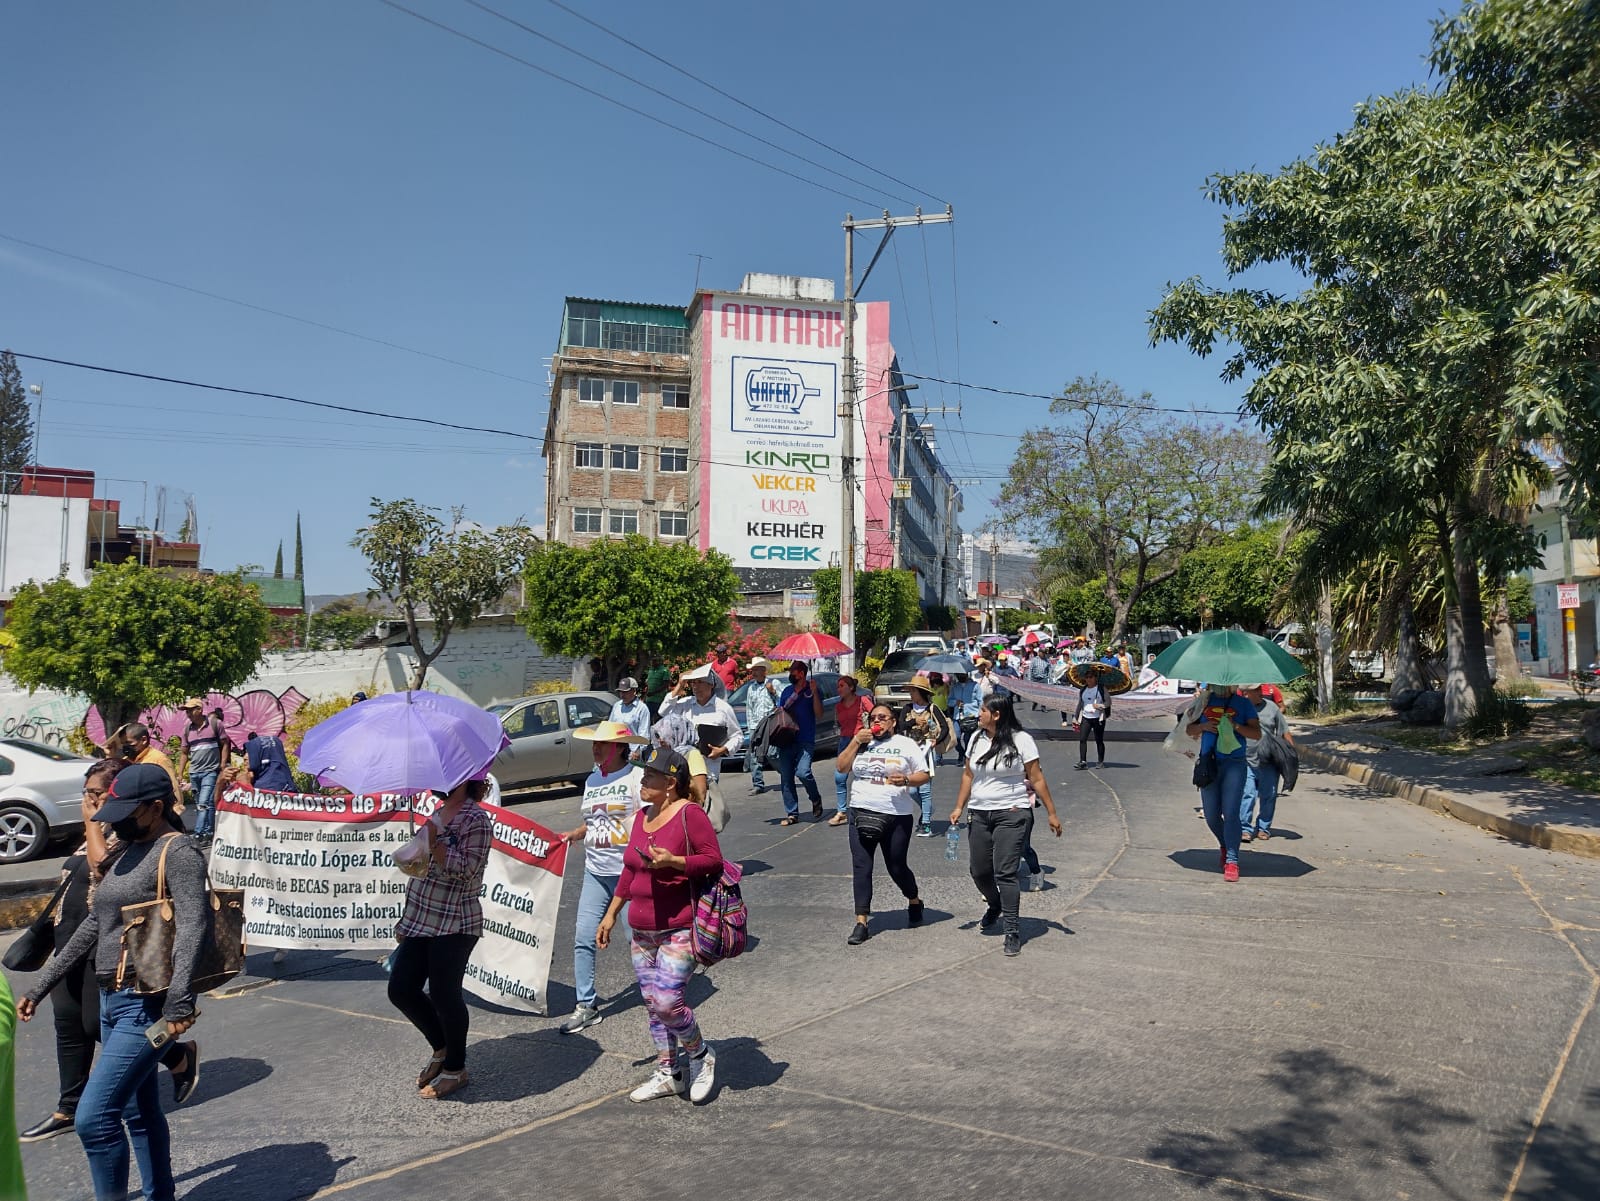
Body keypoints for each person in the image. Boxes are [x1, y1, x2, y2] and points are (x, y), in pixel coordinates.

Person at [19, 763, 207, 1201]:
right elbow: (93, 927)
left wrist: (180, 1004)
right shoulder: (125, 846)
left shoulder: (177, 852)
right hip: (110, 998)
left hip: (146, 1003)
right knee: (138, 1113)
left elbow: (194, 928)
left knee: (94, 1118)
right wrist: (40, 984)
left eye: (126, 808)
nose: (115, 816)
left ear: (155, 807)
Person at [596, 745, 723, 1104]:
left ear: (670, 783)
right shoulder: (641, 816)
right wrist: (611, 913)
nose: (642, 781)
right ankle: (670, 1072)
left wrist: (676, 861)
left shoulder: (690, 815)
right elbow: (630, 870)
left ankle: (701, 1055)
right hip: (641, 930)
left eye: (649, 776)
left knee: (668, 1001)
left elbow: (713, 861)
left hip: (679, 926)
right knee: (653, 1004)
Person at [388, 768, 494, 1099]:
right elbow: (420, 872)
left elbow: (467, 871)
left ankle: (455, 1069)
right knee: (401, 989)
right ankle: (442, 1048)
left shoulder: (475, 820)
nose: (437, 778)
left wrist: (435, 846)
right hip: (422, 917)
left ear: (465, 778)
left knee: (445, 994)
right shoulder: (436, 814)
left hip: (456, 919)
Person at [948, 695, 1063, 957]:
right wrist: (958, 806)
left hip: (1011, 813)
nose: (979, 713)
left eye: (983, 710)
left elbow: (1037, 777)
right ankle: (995, 904)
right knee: (979, 871)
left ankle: (1012, 930)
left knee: (1006, 873)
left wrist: (1052, 813)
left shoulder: (1021, 740)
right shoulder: (976, 738)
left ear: (997, 714)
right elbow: (968, 774)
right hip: (979, 813)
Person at [555, 721, 648, 1035]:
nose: (596, 748)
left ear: (619, 747)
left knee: (639, 941)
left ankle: (659, 996)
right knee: (583, 937)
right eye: (595, 743)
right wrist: (576, 834)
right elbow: (595, 822)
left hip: (630, 872)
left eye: (602, 744)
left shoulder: (637, 777)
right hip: (595, 871)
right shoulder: (593, 779)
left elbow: (652, 820)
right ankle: (586, 1005)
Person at [836, 704, 928, 946]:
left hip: (895, 815)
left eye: (883, 718)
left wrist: (906, 779)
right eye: (873, 718)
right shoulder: (862, 742)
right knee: (861, 866)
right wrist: (855, 741)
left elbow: (924, 774)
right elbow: (841, 767)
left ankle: (914, 899)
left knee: (896, 866)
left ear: (893, 722)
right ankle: (861, 922)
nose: (877, 722)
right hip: (860, 810)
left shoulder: (906, 744)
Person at [1185, 684, 1261, 882]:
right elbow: (1188, 729)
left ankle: (1232, 860)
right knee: (1211, 815)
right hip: (1209, 764)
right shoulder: (1203, 702)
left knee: (1231, 812)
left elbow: (1256, 733)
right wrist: (1203, 726)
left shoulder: (1243, 704)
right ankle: (1226, 844)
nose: (1221, 685)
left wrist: (1235, 725)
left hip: (1234, 763)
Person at [657, 664, 742, 786]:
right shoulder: (684, 704)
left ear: (711, 685)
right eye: (693, 683)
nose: (696, 686)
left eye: (700, 682)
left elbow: (737, 736)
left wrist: (723, 750)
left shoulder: (723, 708)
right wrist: (679, 686)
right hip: (683, 770)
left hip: (709, 771)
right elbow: (663, 711)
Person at [896, 675, 949, 837]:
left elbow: (945, 727)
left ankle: (926, 823)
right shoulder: (907, 708)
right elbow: (899, 726)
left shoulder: (932, 708)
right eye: (910, 691)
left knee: (925, 790)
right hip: (910, 752)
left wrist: (935, 740)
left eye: (913, 691)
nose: (911, 694)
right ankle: (928, 809)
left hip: (926, 752)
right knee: (912, 790)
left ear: (920, 692)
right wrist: (913, 722)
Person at [1239, 683, 1291, 842]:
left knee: (1269, 795)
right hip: (1246, 758)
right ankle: (1245, 829)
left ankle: (1263, 828)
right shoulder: (1239, 709)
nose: (1260, 692)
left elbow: (1284, 731)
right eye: (1254, 690)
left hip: (1269, 760)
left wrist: (1291, 756)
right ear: (1246, 693)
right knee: (1248, 794)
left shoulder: (1272, 708)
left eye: (1259, 689)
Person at [775, 661, 826, 824]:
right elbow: (780, 711)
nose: (790, 674)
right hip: (787, 739)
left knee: (803, 772)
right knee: (786, 777)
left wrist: (814, 693)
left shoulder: (812, 691)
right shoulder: (787, 691)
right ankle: (792, 813)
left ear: (801, 673)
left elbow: (819, 714)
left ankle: (815, 798)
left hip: (805, 739)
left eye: (793, 672)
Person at [178, 697, 229, 846]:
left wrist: (223, 763)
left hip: (210, 771)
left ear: (199, 710)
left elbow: (225, 744)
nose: (187, 713)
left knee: (203, 803)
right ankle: (210, 833)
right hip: (195, 773)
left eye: (190, 709)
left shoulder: (215, 724)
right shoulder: (187, 729)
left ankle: (198, 834)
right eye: (186, 710)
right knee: (207, 804)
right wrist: (180, 773)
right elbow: (184, 753)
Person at [829, 675, 872, 826]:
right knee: (839, 777)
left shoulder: (863, 701)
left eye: (842, 686)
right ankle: (841, 812)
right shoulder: (838, 706)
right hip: (845, 742)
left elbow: (876, 715)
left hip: (862, 742)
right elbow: (838, 724)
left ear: (851, 688)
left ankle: (865, 808)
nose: (838, 689)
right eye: (838, 686)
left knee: (862, 775)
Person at [114, 724, 182, 805]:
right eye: (123, 744)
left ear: (143, 740)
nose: (125, 747)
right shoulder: (126, 761)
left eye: (128, 743)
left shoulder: (158, 759)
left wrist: (175, 811)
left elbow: (173, 787)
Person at [742, 658, 778, 796]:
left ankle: (786, 773)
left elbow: (783, 701)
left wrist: (773, 691)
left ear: (764, 670)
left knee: (772, 754)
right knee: (754, 755)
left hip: (771, 724)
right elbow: (749, 708)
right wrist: (751, 727)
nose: (754, 673)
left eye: (757, 670)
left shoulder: (773, 683)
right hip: (756, 726)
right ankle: (758, 784)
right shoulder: (751, 688)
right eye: (753, 670)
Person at [1073, 665, 1112, 770]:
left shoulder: (1101, 689)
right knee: (1082, 739)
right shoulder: (1083, 690)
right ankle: (1083, 761)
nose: (1088, 679)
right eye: (1087, 677)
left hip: (1098, 718)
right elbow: (1080, 704)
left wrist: (1100, 706)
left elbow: (1108, 702)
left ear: (1095, 678)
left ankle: (1100, 761)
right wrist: (1075, 716)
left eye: (1091, 677)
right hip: (1086, 717)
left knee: (1099, 740)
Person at [609, 677, 652, 743]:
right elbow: (610, 726)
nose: (622, 695)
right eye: (621, 692)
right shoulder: (616, 706)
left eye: (625, 692)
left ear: (634, 691)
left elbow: (644, 734)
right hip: (616, 747)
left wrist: (638, 751)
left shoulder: (642, 709)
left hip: (632, 749)